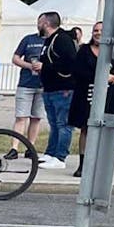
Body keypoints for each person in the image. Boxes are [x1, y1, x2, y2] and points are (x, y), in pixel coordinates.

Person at [68, 21, 114, 179]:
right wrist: (101, 77)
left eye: (101, 30)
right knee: (86, 127)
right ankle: (83, 163)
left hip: (110, 94)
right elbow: (78, 72)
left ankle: (102, 164)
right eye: (95, 30)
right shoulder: (84, 50)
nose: (98, 33)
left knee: (105, 129)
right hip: (87, 93)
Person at [36, 12, 78, 168]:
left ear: (46, 23)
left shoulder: (62, 39)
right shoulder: (48, 40)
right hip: (50, 88)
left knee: (63, 123)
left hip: (63, 88)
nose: (38, 26)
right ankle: (51, 152)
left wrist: (45, 67)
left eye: (39, 22)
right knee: (53, 123)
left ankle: (60, 157)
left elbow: (70, 63)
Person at [11, 20, 53, 167]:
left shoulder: (52, 41)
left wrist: (45, 67)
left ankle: (31, 147)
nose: (40, 25)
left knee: (36, 117)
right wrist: (28, 65)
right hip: (26, 83)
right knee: (21, 116)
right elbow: (15, 58)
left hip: (43, 85)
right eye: (39, 23)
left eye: (43, 23)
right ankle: (14, 147)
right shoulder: (29, 39)